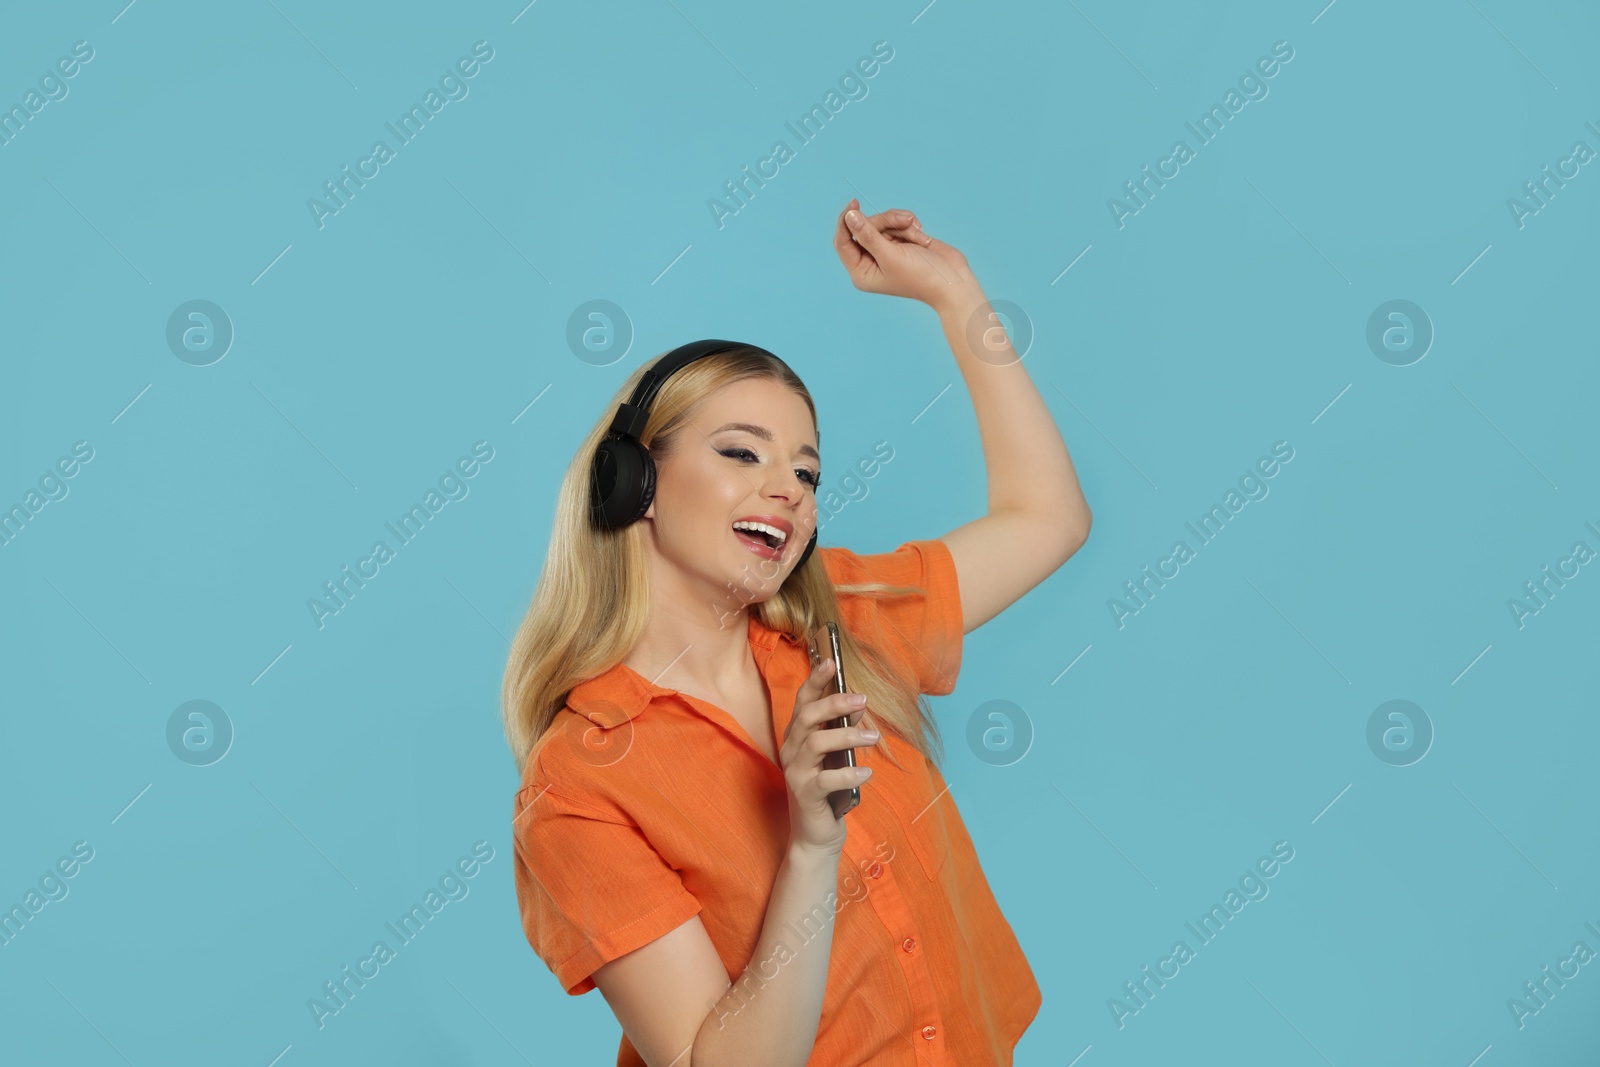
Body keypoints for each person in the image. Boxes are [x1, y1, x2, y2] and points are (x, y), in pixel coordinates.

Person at [504, 201, 1092, 1067]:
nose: (788, 489)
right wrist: (813, 845)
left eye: (807, 471)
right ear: (634, 482)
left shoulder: (837, 624)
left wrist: (954, 293)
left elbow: (1049, 517)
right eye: (742, 453)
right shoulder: (579, 786)